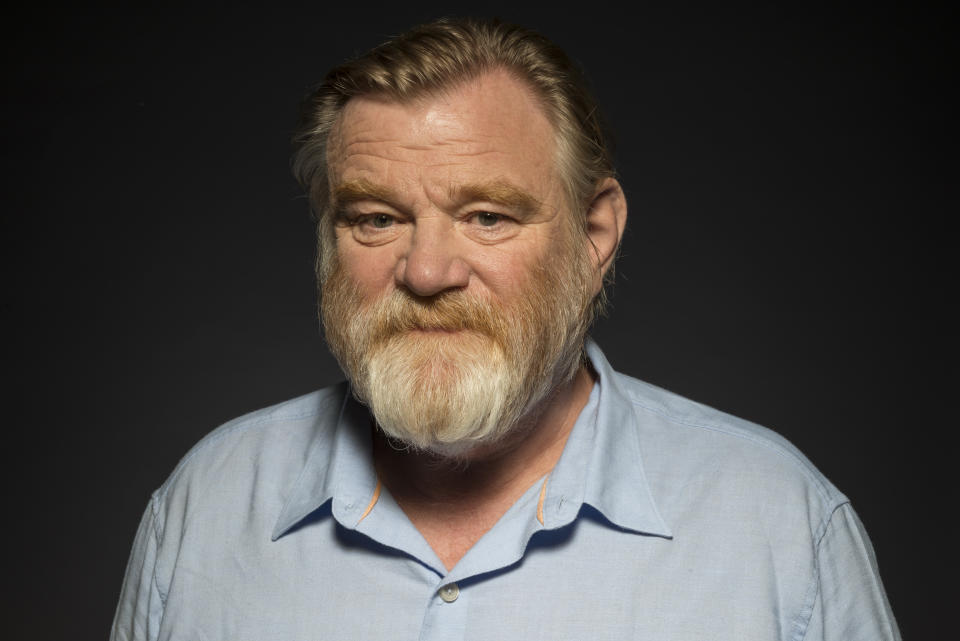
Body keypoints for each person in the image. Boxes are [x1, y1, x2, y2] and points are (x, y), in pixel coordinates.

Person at [111, 18, 900, 641]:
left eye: (486, 216)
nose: (426, 272)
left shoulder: (778, 526)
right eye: (377, 218)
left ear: (595, 236)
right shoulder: (205, 511)